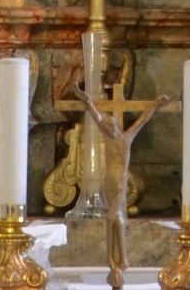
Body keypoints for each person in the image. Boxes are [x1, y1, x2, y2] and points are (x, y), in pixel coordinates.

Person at [75, 87, 174, 290]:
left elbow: (142, 121)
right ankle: (118, 262)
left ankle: (115, 260)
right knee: (116, 219)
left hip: (121, 185)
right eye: (107, 127)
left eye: (111, 126)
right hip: (108, 184)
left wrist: (155, 105)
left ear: (117, 126)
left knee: (112, 218)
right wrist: (87, 102)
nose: (109, 129)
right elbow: (96, 118)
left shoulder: (126, 138)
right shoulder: (107, 137)